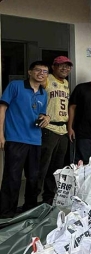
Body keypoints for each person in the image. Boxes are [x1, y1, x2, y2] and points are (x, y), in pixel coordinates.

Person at [0, 61, 50, 217]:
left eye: (45, 71)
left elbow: (40, 114)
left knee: (34, 177)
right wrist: (1, 134)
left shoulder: (44, 93)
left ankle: (29, 210)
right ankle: (6, 214)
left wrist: (46, 117)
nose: (41, 73)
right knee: (12, 177)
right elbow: (2, 108)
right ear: (30, 72)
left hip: (35, 140)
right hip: (16, 139)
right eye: (38, 70)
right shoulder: (16, 86)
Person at [38, 56, 72, 206]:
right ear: (54, 67)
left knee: (56, 169)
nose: (64, 69)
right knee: (42, 166)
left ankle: (49, 199)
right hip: (49, 128)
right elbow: (35, 96)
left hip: (62, 129)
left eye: (67, 66)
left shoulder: (66, 83)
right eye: (61, 66)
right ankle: (33, 200)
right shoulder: (47, 79)